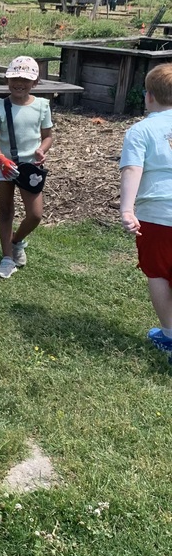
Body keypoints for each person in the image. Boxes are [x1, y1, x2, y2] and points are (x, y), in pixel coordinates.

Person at [119, 63, 172, 361]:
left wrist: (127, 209)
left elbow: (132, 170)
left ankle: (169, 336)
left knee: (158, 273)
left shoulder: (141, 130)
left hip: (157, 217)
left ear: (149, 96)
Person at [0, 56, 54, 279]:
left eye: (25, 79)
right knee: (5, 211)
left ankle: (16, 242)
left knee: (35, 215)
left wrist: (42, 150)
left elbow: (48, 137)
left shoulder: (42, 106)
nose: (19, 83)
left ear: (34, 83)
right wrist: (1, 160)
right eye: (15, 77)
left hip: (30, 168)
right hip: (4, 167)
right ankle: (7, 259)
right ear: (8, 79)